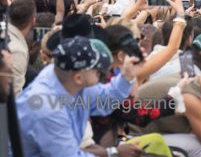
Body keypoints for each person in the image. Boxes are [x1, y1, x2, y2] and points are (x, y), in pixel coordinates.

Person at [16, 36, 145, 157]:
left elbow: (105, 100)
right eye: (98, 72)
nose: (102, 76)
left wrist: (127, 76)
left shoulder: (63, 76)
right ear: (78, 78)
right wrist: (113, 153)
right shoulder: (47, 110)